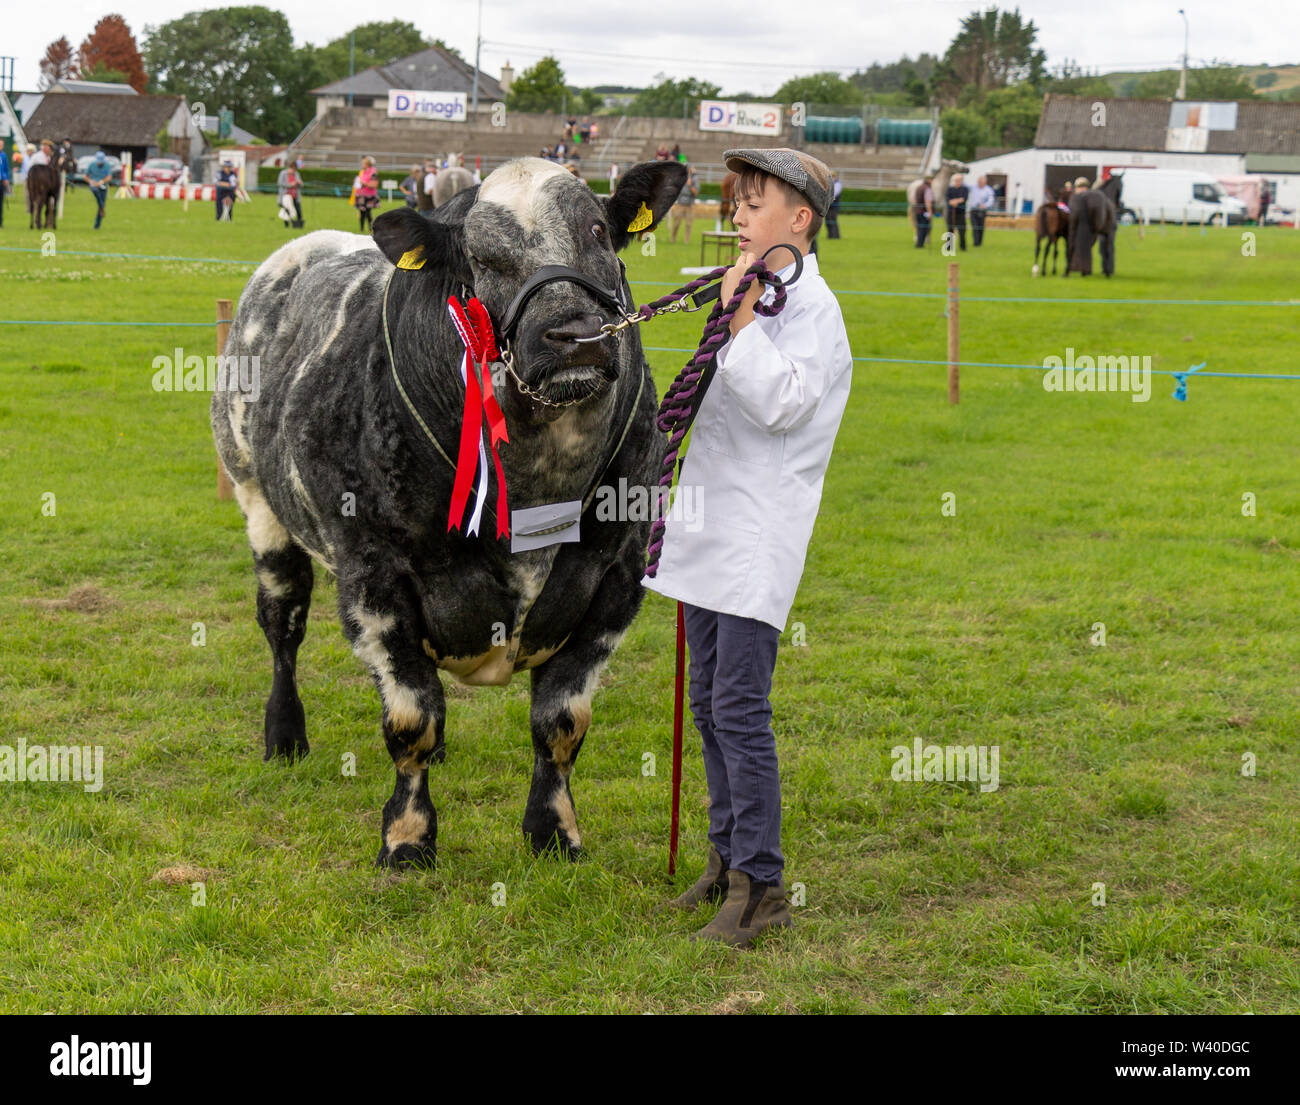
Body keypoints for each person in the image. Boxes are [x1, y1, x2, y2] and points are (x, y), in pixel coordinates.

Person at [645, 147, 853, 950]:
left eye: (752, 202)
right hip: (712, 530)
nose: (735, 214)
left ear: (799, 219)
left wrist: (735, 325)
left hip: (758, 537)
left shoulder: (815, 311)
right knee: (708, 702)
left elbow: (782, 405)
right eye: (735, 201)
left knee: (738, 708)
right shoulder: (764, 292)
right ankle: (724, 859)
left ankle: (761, 885)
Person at [668, 163, 699, 243]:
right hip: (680, 204)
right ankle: (672, 239)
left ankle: (686, 241)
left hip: (690, 205)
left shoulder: (694, 179)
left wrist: (690, 185)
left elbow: (696, 193)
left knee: (688, 224)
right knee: (676, 223)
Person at [85, 150, 112, 229]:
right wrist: (91, 181)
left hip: (103, 186)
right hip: (94, 186)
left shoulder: (107, 165)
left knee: (101, 204)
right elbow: (85, 176)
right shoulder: (92, 165)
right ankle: (102, 207)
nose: (99, 163)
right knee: (95, 191)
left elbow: (109, 177)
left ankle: (97, 225)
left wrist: (102, 181)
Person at [967, 174, 995, 246]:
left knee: (980, 226)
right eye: (979, 182)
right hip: (973, 210)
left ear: (985, 182)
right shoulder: (973, 187)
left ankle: (979, 242)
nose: (980, 183)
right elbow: (964, 185)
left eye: (981, 182)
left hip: (982, 210)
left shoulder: (988, 190)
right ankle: (976, 242)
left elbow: (991, 200)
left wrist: (985, 205)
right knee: (974, 226)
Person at [945, 172, 968, 251]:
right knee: (950, 230)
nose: (958, 182)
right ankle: (949, 246)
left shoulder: (965, 189)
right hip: (951, 212)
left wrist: (955, 201)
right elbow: (948, 199)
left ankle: (963, 247)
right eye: (956, 180)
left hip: (960, 213)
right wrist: (955, 201)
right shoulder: (949, 189)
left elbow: (964, 199)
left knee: (962, 230)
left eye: (959, 180)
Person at [356, 156, 379, 231]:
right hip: (362, 195)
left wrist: (363, 183)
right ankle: (361, 229)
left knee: (368, 213)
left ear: (367, 164)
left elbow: (374, 185)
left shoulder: (373, 173)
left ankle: (370, 228)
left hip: (369, 196)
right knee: (362, 212)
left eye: (363, 163)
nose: (362, 165)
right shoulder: (364, 172)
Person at [278, 163, 303, 227]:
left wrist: (300, 183)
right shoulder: (283, 173)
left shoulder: (297, 174)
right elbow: (280, 183)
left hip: (295, 196)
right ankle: (286, 224)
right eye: (292, 169)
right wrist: (290, 185)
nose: (293, 171)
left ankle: (299, 224)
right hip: (286, 196)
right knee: (286, 210)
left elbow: (300, 184)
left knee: (298, 210)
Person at [914, 174, 935, 247]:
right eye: (932, 180)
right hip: (924, 212)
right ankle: (920, 244)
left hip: (917, 211)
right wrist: (930, 212)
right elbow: (928, 202)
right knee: (924, 228)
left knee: (919, 228)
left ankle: (919, 243)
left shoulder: (919, 187)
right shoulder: (927, 188)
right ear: (929, 180)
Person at [825, 171, 842, 239]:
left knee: (833, 220)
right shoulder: (829, 184)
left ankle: (835, 235)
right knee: (828, 220)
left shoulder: (837, 184)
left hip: (834, 205)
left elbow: (835, 193)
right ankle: (830, 235)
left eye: (832, 176)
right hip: (828, 205)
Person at [0, 144, 10, 228]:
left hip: (1, 182)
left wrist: (6, 178)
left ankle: (0, 222)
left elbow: (6, 168)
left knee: (0, 203)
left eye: (2, 145)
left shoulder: (3, 155)